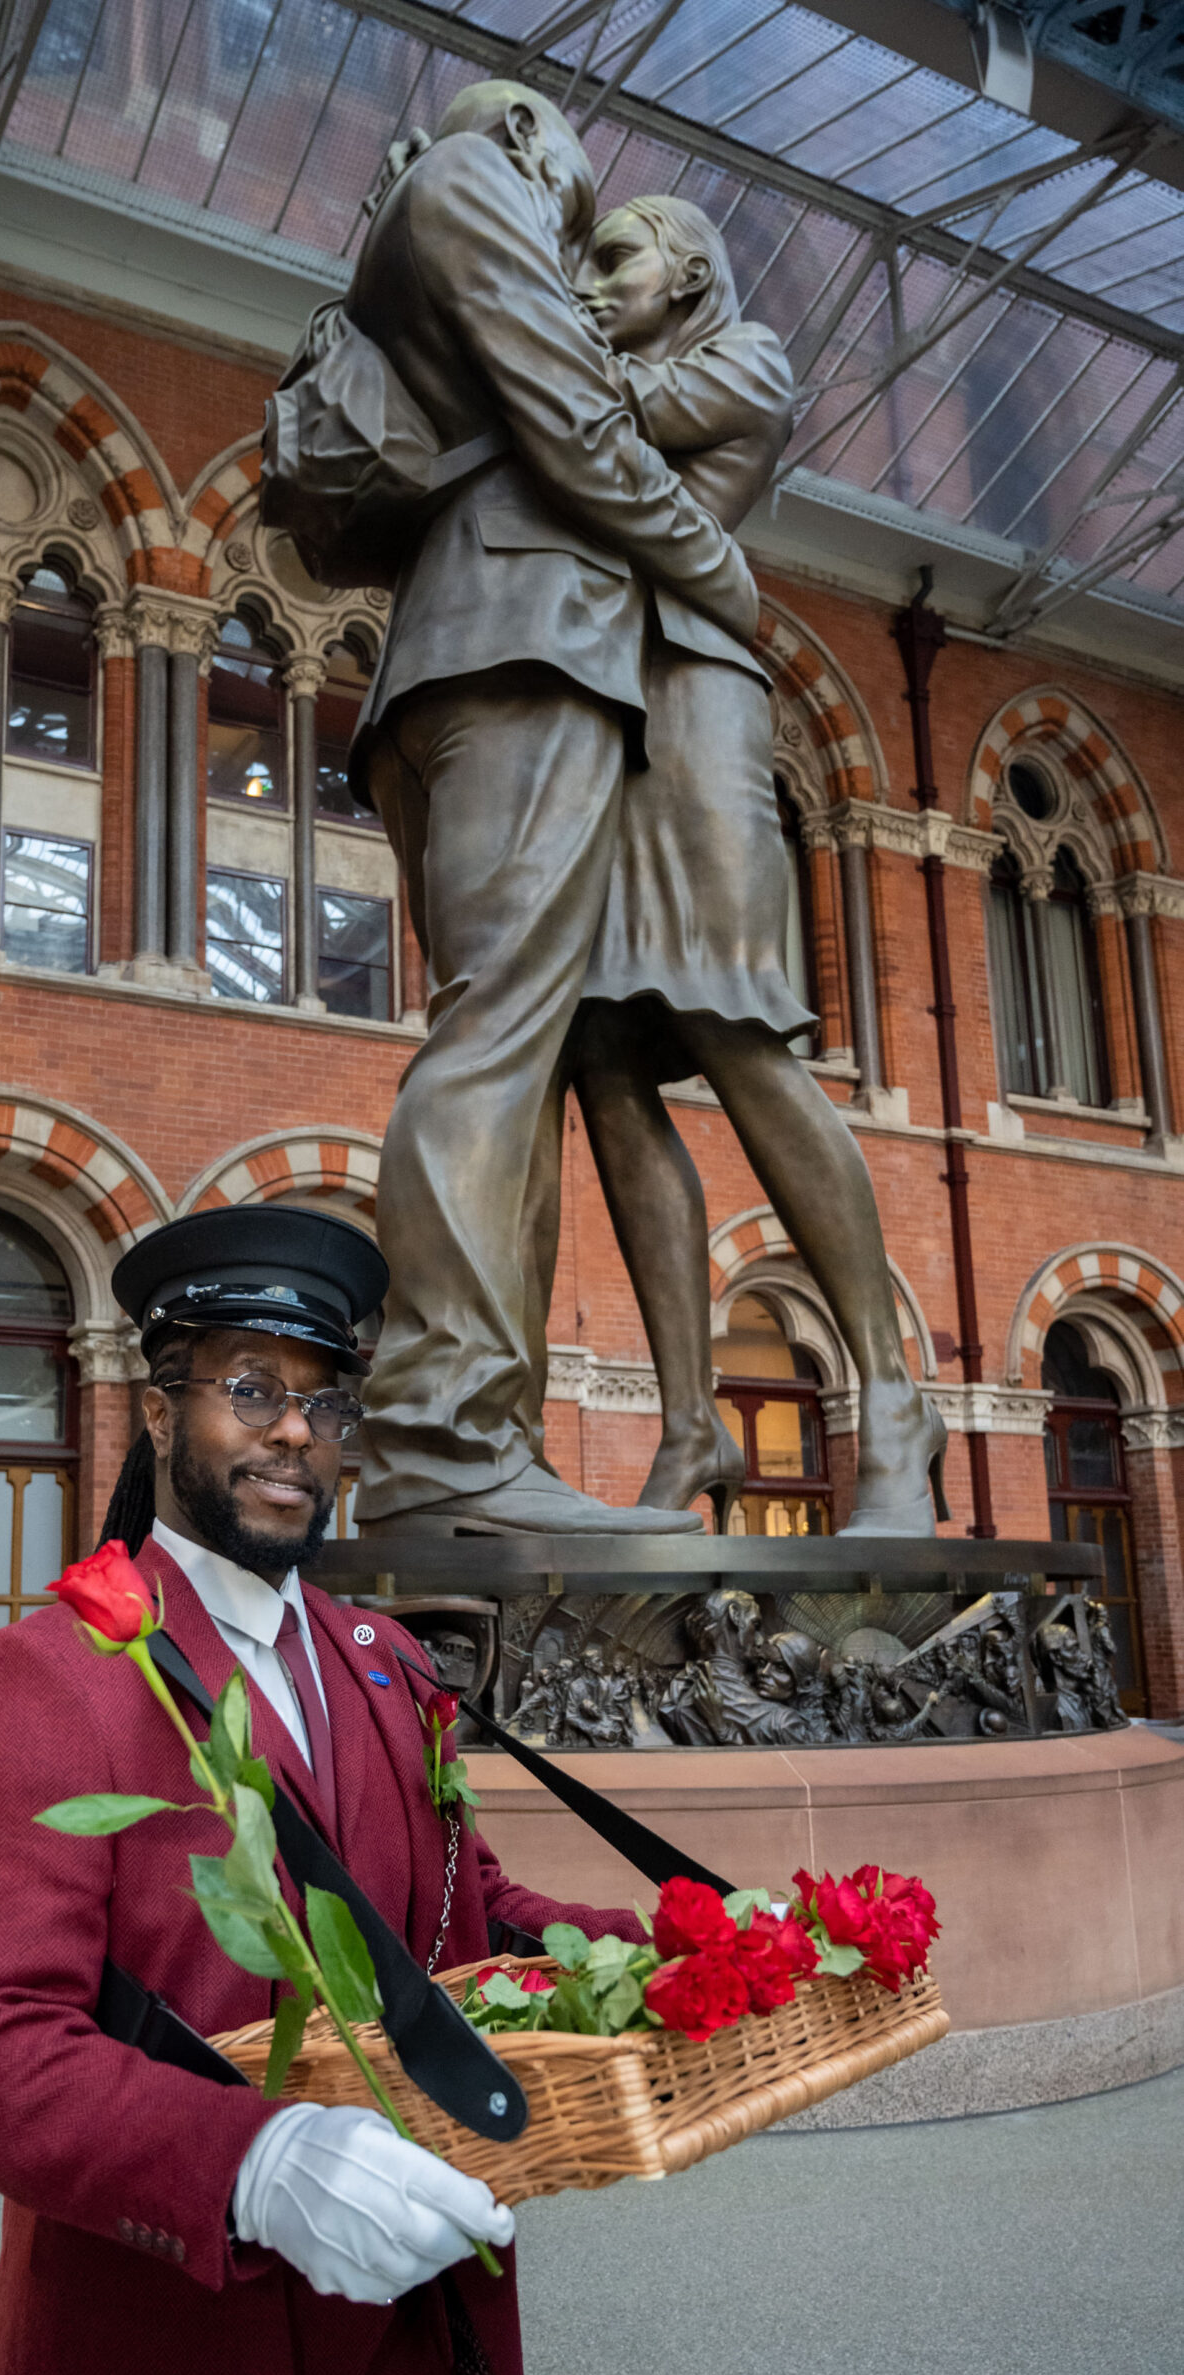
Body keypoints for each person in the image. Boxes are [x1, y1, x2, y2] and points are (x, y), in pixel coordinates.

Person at [0, 1203, 654, 2375]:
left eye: (325, 1402)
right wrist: (253, 2163)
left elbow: (470, 1916)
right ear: (158, 1408)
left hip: (401, 2371)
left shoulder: (387, 1660)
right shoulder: (51, 1678)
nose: (296, 1435)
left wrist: (677, 1957)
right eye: (251, 1388)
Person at [336, 80, 762, 1536]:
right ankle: (448, 1442)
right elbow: (579, 429)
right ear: (533, 138)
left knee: (504, 1047)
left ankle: (480, 1444)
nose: (577, 238)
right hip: (518, 651)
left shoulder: (411, 224)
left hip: (453, 663)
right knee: (499, 1038)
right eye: (577, 208)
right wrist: (721, 576)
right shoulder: (474, 182)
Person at [560, 197, 947, 1535]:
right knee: (600, 1057)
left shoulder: (747, 359)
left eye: (615, 259)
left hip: (696, 705)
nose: (592, 283)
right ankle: (687, 1424)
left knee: (735, 1029)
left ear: (691, 272)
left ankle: (894, 1397)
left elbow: (589, 427)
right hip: (590, 707)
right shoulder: (602, 354)